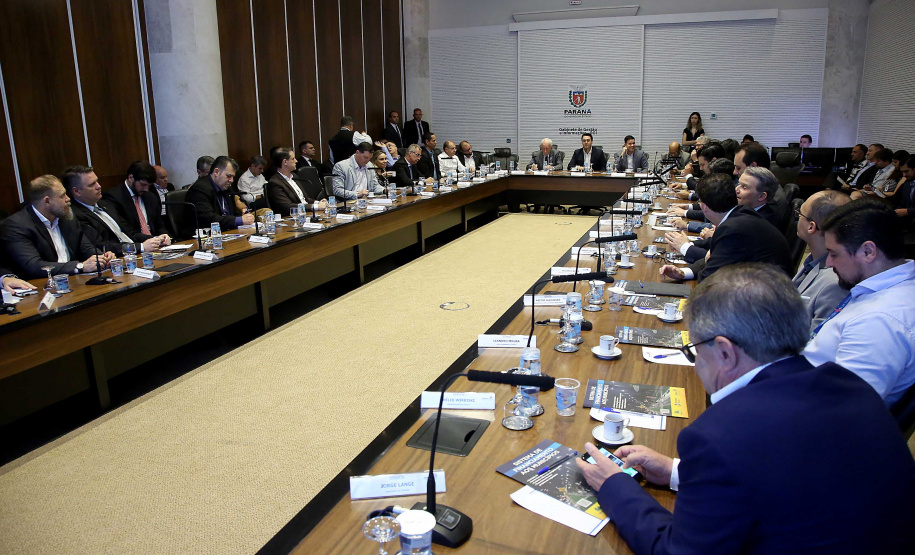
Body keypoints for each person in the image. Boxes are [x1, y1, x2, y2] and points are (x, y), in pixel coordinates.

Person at [578, 263, 915, 555]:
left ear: (725, 351)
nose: (696, 365)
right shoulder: (849, 385)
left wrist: (614, 486)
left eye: (695, 349)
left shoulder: (718, 436)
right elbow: (785, 475)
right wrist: (677, 472)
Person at [803, 198, 915, 406]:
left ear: (868, 252)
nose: (828, 263)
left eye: (834, 254)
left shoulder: (879, 322)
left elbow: (839, 408)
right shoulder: (891, 286)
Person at [658, 174, 791, 282]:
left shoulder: (733, 228)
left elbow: (708, 279)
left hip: (766, 301)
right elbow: (714, 259)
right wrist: (683, 272)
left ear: (703, 206)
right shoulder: (739, 216)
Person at [1, 175, 112, 278]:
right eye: (62, 195)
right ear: (47, 201)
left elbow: (86, 248)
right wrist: (80, 266)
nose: (68, 199)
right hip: (42, 287)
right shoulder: (16, 225)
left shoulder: (67, 217)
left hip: (75, 281)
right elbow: (33, 266)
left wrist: (103, 258)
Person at [64, 165, 170, 256]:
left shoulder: (106, 204)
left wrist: (156, 239)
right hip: (120, 259)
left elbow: (130, 232)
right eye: (92, 185)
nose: (99, 186)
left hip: (137, 254)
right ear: (77, 191)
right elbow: (101, 245)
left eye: (97, 181)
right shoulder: (75, 215)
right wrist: (141, 247)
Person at [793, 190, 851, 332]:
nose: (797, 219)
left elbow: (815, 343)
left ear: (811, 226)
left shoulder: (835, 282)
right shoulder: (813, 260)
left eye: (800, 214)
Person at [184, 156, 254, 236]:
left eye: (233, 177)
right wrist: (238, 220)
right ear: (216, 172)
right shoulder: (199, 189)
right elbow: (209, 219)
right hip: (203, 237)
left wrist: (242, 215)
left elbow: (231, 213)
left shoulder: (226, 188)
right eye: (228, 176)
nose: (232, 180)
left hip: (226, 233)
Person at [101, 160, 168, 239]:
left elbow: (159, 225)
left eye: (149, 186)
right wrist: (154, 239)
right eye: (143, 185)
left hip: (156, 244)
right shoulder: (114, 197)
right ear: (131, 178)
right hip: (135, 246)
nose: (146, 189)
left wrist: (165, 236)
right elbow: (126, 231)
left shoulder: (150, 196)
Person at [266, 147, 326, 216]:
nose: (296, 161)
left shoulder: (294, 176)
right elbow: (287, 206)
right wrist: (315, 207)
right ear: (285, 162)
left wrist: (318, 203)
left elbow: (304, 199)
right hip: (291, 218)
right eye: (293, 159)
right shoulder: (275, 183)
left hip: (306, 214)